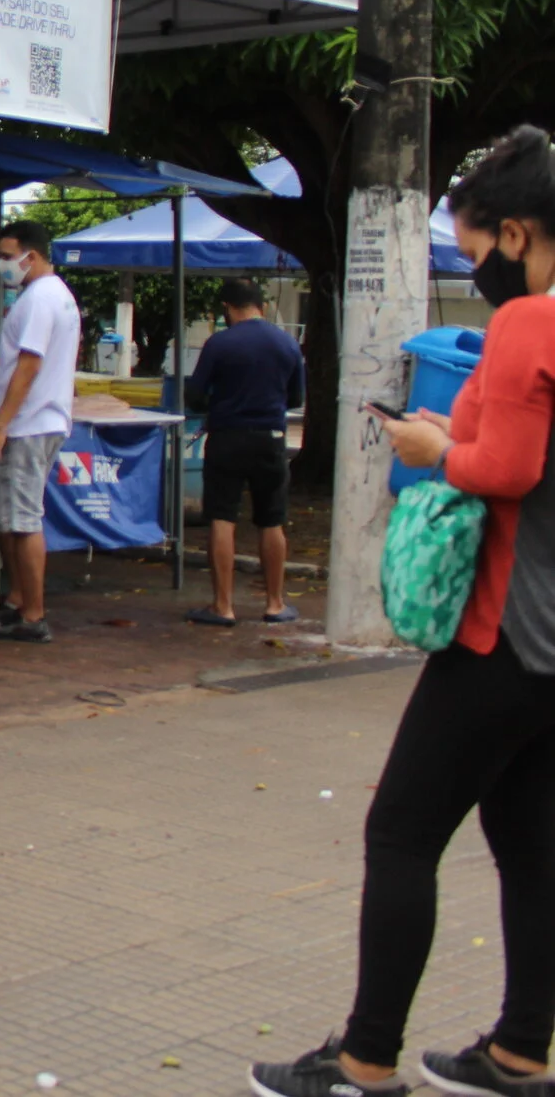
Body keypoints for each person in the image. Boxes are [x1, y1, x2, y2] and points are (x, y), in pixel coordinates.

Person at [249, 124, 555, 1097]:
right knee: (529, 840)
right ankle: (517, 1049)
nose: (476, 272)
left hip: (504, 627)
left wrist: (430, 449)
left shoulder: (530, 322)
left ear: (516, 232)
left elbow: (504, 468)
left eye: (471, 252)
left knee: (401, 832)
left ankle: (363, 1060)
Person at [0, 221, 80, 645]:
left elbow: (29, 364)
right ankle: (18, 600)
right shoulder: (53, 296)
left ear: (30, 256)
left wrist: (1, 426)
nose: (2, 265)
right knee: (8, 516)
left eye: (6, 256)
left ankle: (33, 613)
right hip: (33, 422)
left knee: (22, 519)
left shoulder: (40, 299)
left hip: (28, 424)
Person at [184, 277, 306, 628]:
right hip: (271, 438)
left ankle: (223, 606)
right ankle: (275, 603)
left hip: (227, 438)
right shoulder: (287, 344)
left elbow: (195, 394)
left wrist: (220, 401)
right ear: (261, 307)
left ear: (226, 309)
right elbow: (296, 398)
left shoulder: (219, 343)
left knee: (223, 518)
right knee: (272, 520)